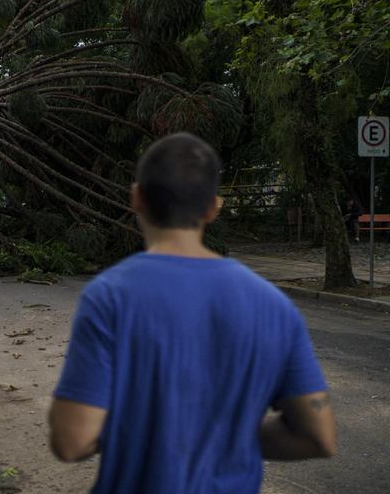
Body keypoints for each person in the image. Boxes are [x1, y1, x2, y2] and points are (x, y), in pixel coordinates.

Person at [49, 133, 336, 494]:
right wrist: (230, 434)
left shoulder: (109, 297)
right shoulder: (273, 305)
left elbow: (72, 440)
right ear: (213, 207)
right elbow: (318, 435)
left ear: (136, 197)